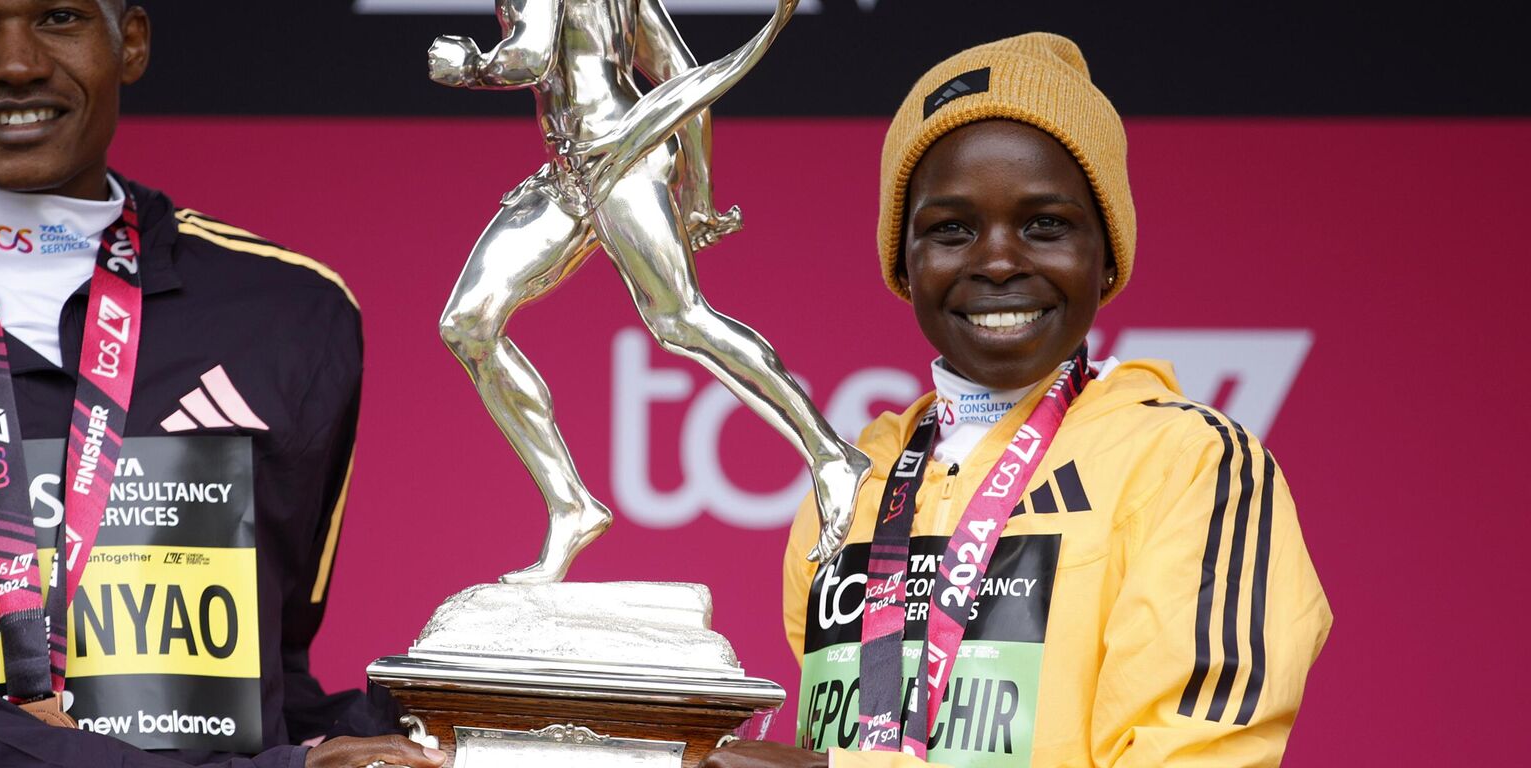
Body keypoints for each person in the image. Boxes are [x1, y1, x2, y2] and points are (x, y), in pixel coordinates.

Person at [0, 1, 439, 766]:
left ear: (131, 42)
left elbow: (273, 675)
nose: (16, 63)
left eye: (58, 17)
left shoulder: (291, 310)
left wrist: (462, 718)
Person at [701, 33, 1330, 767]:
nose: (998, 259)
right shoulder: (851, 481)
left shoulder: (1192, 468)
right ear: (903, 262)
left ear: (1108, 255)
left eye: (1045, 225)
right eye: (951, 229)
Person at [430, 0, 872, 584]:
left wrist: (471, 66)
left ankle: (833, 454)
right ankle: (571, 506)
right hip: (569, 175)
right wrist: (700, 193)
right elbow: (682, 75)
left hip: (622, 159)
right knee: (469, 324)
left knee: (682, 321)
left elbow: (531, 56)